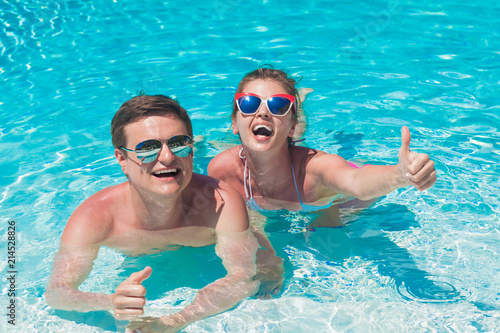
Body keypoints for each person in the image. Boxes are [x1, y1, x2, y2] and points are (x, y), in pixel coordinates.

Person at [46, 94, 268, 332]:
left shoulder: (220, 201)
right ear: (122, 159)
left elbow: (244, 277)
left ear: (190, 151)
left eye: (180, 143)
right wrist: (111, 301)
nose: (167, 157)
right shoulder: (96, 216)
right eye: (148, 148)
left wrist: (176, 320)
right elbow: (57, 292)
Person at [208, 66, 436, 221]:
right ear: (234, 122)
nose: (263, 113)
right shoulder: (221, 170)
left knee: (326, 238)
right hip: (284, 151)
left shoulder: (316, 170)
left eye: (279, 106)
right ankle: (298, 101)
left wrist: (400, 174)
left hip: (343, 198)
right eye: (249, 104)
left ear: (292, 125)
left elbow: (356, 181)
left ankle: (298, 103)